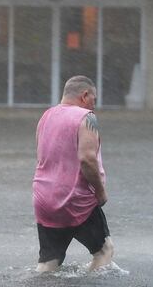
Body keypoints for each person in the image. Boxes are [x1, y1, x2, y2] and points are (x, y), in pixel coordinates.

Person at [32, 75, 115, 273]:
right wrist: (100, 193)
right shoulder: (86, 118)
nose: (94, 105)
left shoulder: (46, 116)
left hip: (44, 199)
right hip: (76, 200)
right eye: (94, 99)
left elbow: (43, 156)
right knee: (105, 250)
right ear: (85, 95)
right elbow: (87, 160)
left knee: (48, 263)